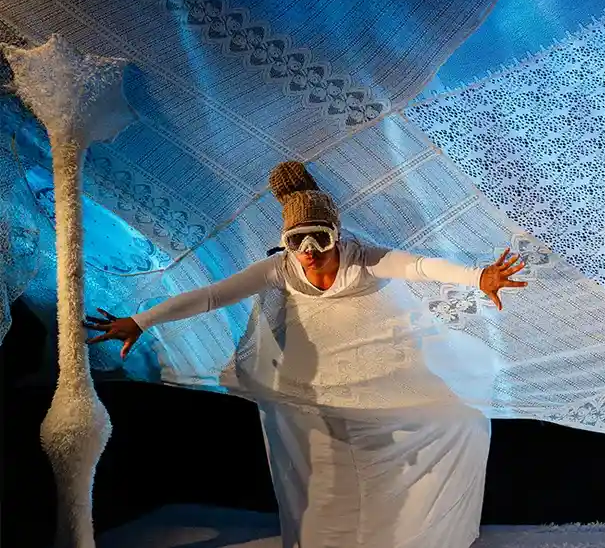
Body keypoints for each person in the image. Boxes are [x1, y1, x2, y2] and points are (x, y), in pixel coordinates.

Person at [84, 160, 528, 548]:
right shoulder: (282, 267)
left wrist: (477, 276)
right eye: (298, 241)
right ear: (287, 242)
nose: (309, 253)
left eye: (318, 238)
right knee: (323, 472)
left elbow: (418, 266)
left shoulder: (363, 258)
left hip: (377, 370)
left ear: (335, 235)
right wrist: (142, 321)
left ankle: (417, 534)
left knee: (451, 420)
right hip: (310, 384)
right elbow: (213, 296)